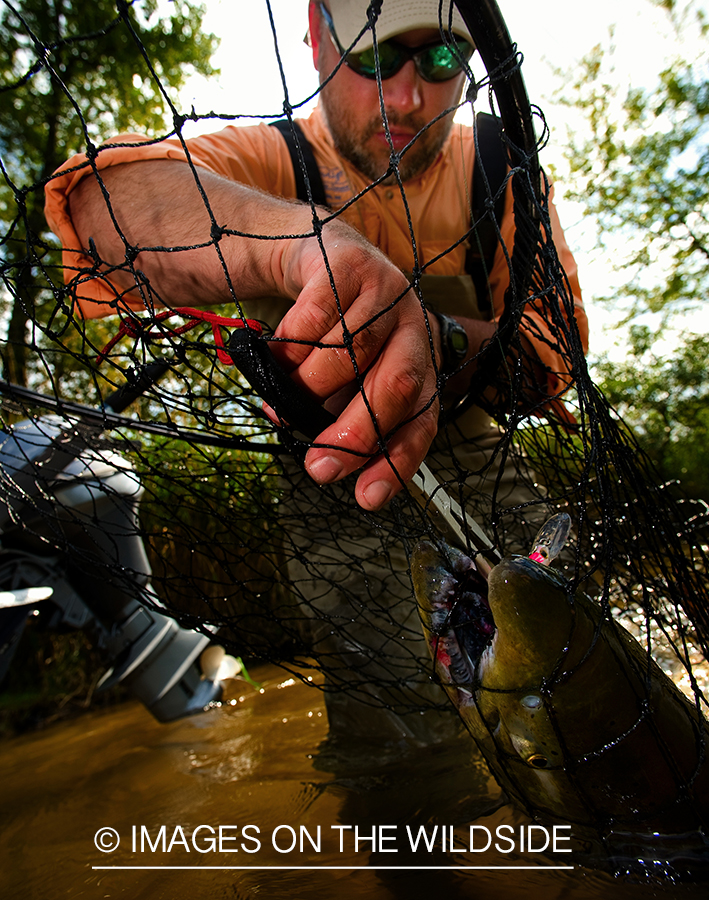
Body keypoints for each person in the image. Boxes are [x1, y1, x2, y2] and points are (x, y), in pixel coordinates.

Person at [45, 0, 588, 752]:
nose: (406, 96)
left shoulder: (500, 164)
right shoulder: (267, 158)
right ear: (314, 34)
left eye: (440, 61)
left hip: (484, 460)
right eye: (375, 59)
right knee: (401, 752)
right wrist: (296, 247)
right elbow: (103, 201)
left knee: (583, 693)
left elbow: (557, 350)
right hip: (333, 485)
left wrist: (442, 342)